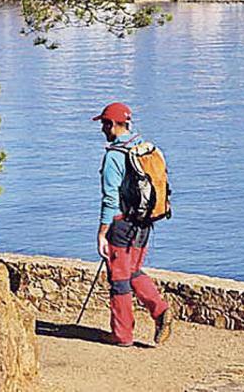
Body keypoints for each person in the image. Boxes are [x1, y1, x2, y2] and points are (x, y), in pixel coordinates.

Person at [93, 101, 172, 346]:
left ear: (114, 125)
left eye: (105, 124)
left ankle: (122, 335)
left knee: (119, 280)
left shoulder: (114, 157)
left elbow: (110, 198)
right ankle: (159, 310)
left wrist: (102, 233)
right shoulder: (144, 148)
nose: (103, 129)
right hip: (144, 223)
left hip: (121, 224)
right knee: (133, 270)